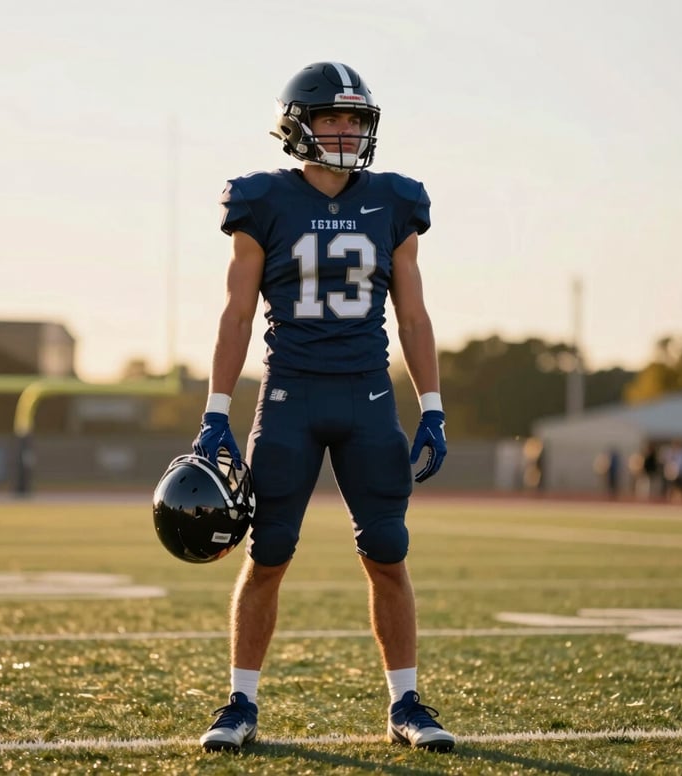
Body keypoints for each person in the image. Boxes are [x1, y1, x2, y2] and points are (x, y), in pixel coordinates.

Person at [191, 61, 454, 754]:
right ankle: (240, 702)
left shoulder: (395, 201)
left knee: (389, 554)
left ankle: (406, 704)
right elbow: (236, 314)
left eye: (355, 119)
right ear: (298, 123)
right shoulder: (260, 200)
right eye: (333, 117)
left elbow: (415, 317)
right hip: (289, 398)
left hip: (368, 396)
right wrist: (216, 410)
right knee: (268, 551)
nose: (345, 131)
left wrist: (433, 405)